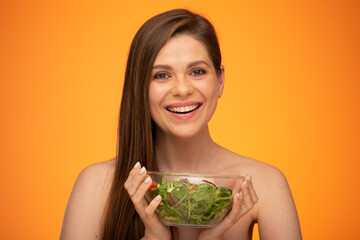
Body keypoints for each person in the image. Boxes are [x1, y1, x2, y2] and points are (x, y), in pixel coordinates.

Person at [60, 9, 302, 240]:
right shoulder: (96, 186)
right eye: (162, 75)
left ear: (220, 81)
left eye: (197, 72)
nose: (183, 89)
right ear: (139, 87)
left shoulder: (265, 185)